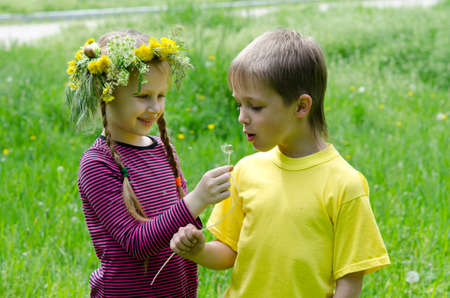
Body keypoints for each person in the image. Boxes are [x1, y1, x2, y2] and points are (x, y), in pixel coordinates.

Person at [170, 28, 390, 297]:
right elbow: (228, 252)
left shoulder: (345, 184)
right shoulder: (246, 171)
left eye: (255, 107)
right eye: (239, 104)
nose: (241, 117)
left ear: (301, 107)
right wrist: (199, 250)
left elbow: (350, 280)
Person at [66, 29, 232, 297]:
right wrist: (198, 199)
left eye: (161, 95)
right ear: (105, 92)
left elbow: (178, 218)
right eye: (143, 96)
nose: (155, 107)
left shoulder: (164, 150)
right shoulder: (98, 164)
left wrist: (192, 237)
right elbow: (137, 243)